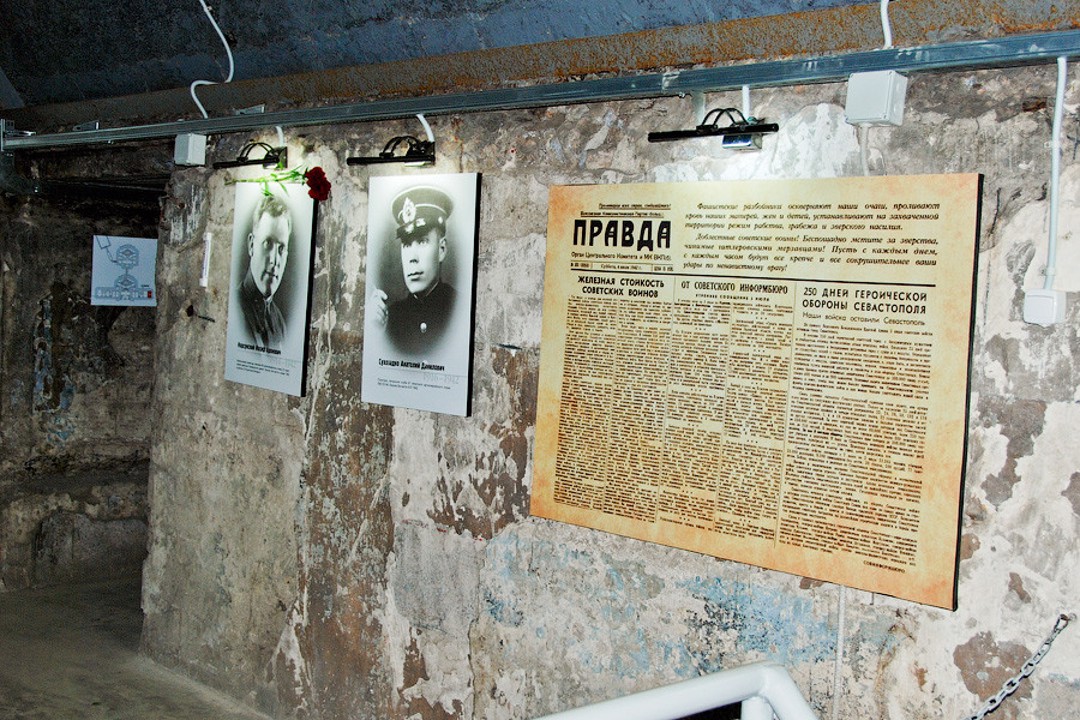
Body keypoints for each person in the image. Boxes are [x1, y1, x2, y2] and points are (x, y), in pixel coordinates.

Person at [369, 185, 456, 353]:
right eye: (407, 244)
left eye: (422, 241)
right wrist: (374, 332)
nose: (412, 258)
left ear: (441, 249)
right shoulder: (389, 320)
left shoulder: (459, 311)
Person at [238, 193, 291, 349]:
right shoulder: (235, 308)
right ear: (251, 245)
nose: (274, 260)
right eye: (268, 243)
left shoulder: (280, 323)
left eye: (281, 249)